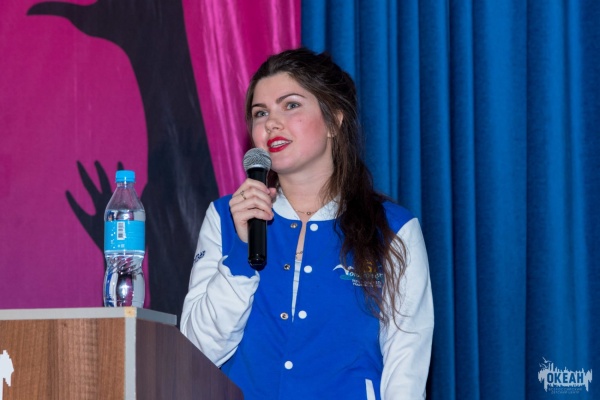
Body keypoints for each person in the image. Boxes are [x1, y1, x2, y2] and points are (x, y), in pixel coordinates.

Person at [181, 47, 434, 400]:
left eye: (290, 105)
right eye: (260, 113)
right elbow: (195, 351)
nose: (271, 123)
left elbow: (406, 363)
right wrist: (240, 254)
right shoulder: (225, 217)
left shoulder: (393, 228)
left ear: (334, 121)